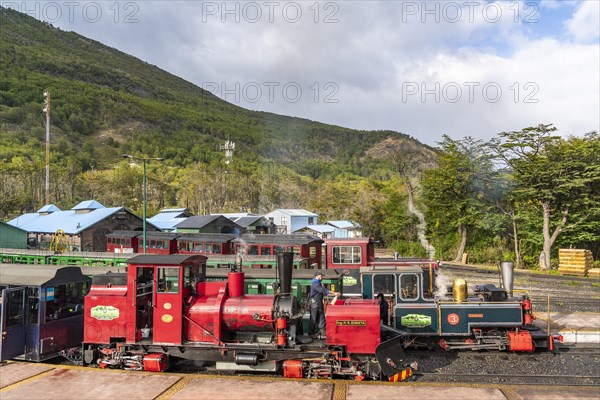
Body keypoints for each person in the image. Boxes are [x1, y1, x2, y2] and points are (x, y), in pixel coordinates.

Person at [308, 271, 339, 338]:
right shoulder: (315, 283)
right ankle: (310, 334)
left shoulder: (318, 283)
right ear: (317, 276)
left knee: (321, 317)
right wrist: (334, 293)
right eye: (321, 276)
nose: (322, 277)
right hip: (315, 303)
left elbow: (324, 290)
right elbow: (323, 291)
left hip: (318, 303)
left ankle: (324, 333)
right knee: (313, 318)